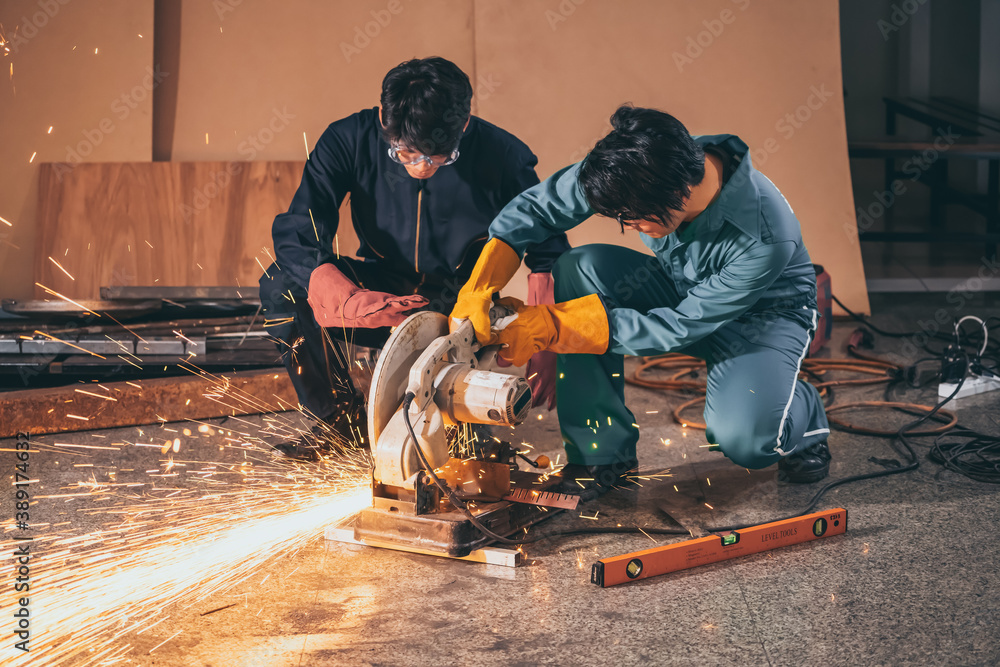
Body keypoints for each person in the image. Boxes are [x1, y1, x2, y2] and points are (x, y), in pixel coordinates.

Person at [449, 105, 831, 499]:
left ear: (679, 195)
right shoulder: (639, 162)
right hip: (681, 290)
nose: (627, 227)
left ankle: (800, 407)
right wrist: (480, 285)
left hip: (763, 321)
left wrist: (555, 326)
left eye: (631, 220)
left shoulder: (764, 235)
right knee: (580, 267)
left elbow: (681, 325)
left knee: (745, 441)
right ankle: (601, 455)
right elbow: (538, 209)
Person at [260, 57, 569, 458]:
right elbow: (298, 228)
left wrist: (548, 336)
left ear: (464, 124)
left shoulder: (503, 156)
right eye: (404, 154)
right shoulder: (347, 139)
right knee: (280, 285)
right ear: (385, 120)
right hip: (378, 295)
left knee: (458, 453)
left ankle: (460, 427)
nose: (421, 168)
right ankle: (339, 423)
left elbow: (548, 249)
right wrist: (339, 290)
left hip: (458, 305)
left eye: (439, 157)